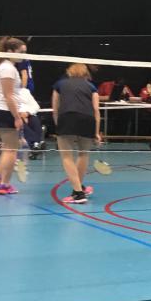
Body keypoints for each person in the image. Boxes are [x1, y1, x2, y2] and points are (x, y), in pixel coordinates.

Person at [52, 63, 101, 204]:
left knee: (67, 157)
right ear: (85, 73)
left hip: (67, 118)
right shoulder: (91, 86)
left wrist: (58, 125)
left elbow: (55, 108)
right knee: (83, 154)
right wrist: (96, 132)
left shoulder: (59, 84)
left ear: (69, 72)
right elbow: (96, 110)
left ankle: (79, 194)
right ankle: (79, 188)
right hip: (87, 120)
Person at [0, 37, 26, 196]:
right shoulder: (8, 69)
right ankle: (4, 185)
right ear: (10, 51)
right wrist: (17, 117)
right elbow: (8, 96)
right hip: (4, 111)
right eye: (21, 52)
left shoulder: (5, 67)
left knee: (7, 146)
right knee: (11, 150)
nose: (24, 55)